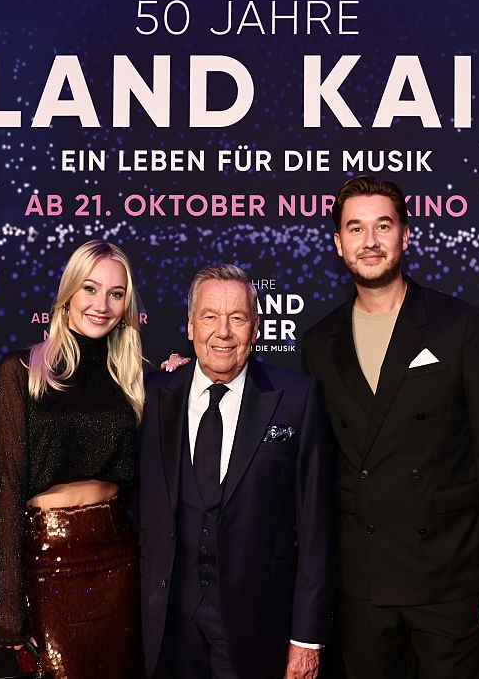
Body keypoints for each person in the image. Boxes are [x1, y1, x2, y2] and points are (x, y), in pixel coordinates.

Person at [300, 176, 479, 678]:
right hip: (363, 584)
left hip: (450, 579)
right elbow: (305, 458)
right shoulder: (319, 342)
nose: (370, 241)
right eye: (355, 228)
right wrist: (184, 378)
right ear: (338, 243)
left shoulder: (459, 326)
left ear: (405, 235)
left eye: (383, 226)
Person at [138, 264, 336, 679]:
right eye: (210, 317)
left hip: (258, 624)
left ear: (256, 328)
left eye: (237, 318)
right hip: (168, 625)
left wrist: (307, 638)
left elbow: (318, 529)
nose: (223, 332)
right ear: (191, 327)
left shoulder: (297, 398)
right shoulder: (152, 394)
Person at [0, 240, 144, 678]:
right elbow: (6, 484)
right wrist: (7, 613)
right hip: (48, 561)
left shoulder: (130, 380)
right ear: (68, 294)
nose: (102, 305)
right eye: (90, 289)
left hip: (119, 557)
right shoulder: (21, 371)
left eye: (116, 294)